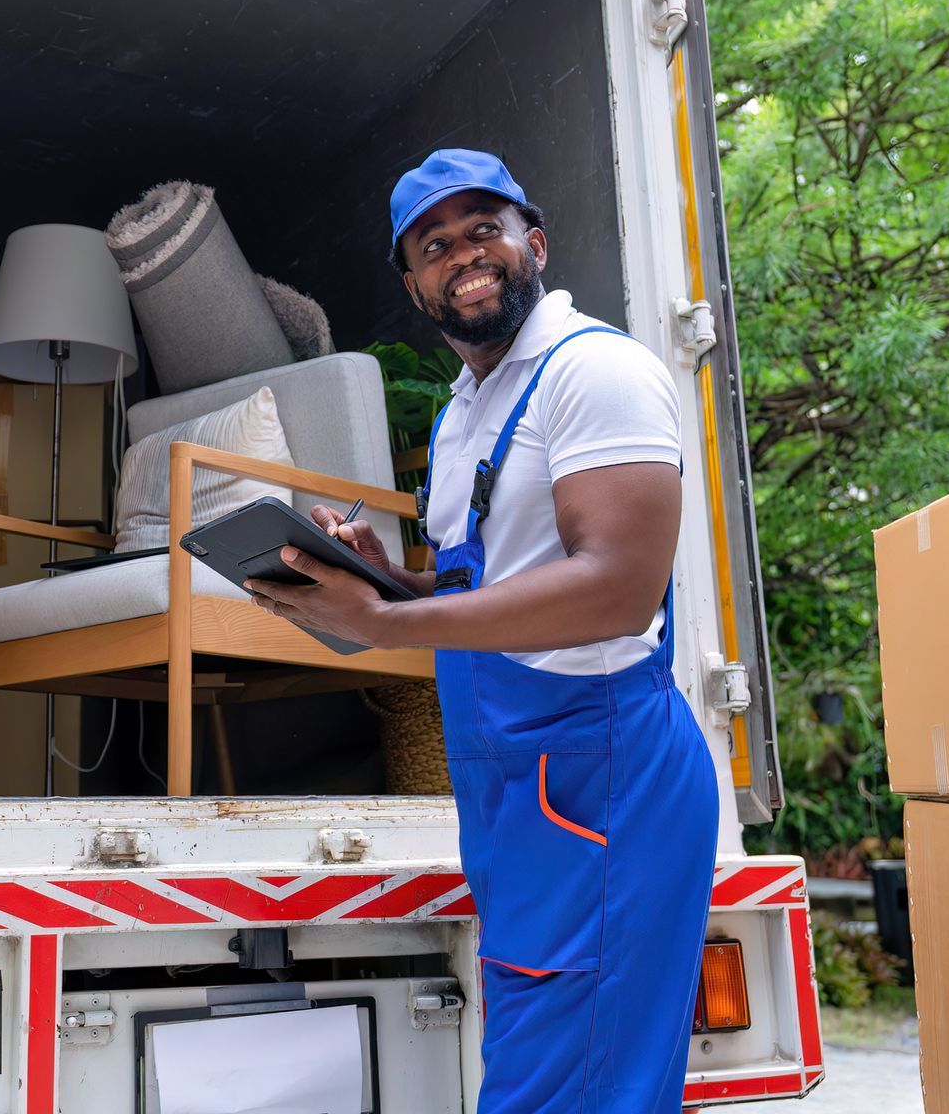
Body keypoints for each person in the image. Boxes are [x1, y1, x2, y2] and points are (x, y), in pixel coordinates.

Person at [243, 149, 720, 1112]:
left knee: (573, 1087)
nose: (463, 254)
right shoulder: (469, 410)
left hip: (598, 778)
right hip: (513, 784)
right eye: (434, 244)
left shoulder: (596, 372)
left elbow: (618, 590)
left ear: (531, 244)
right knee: (548, 1065)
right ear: (414, 284)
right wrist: (379, 574)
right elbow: (491, 581)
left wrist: (383, 622)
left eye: (482, 229)